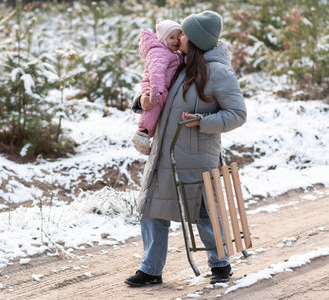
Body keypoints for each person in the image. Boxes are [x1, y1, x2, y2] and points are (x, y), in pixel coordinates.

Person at [125, 11, 247, 287]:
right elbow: (155, 89)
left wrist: (203, 121)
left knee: (203, 213)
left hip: (196, 156)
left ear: (197, 41)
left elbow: (237, 114)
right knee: (153, 210)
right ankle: (150, 269)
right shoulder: (177, 63)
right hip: (165, 153)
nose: (178, 37)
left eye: (184, 34)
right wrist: (140, 101)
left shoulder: (218, 72)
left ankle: (220, 264)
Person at [131, 20, 183, 155]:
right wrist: (156, 91)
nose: (176, 41)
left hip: (160, 87)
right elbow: (156, 73)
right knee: (154, 106)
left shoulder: (173, 53)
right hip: (155, 87)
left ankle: (147, 134)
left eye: (178, 37)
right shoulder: (159, 51)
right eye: (171, 37)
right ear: (162, 39)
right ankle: (142, 134)